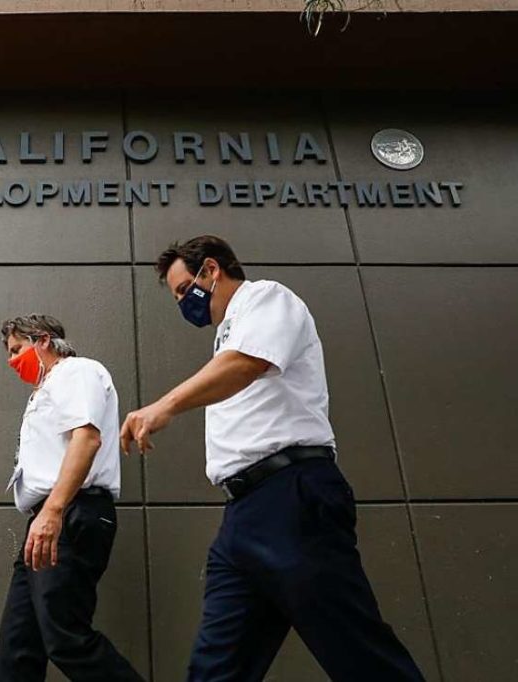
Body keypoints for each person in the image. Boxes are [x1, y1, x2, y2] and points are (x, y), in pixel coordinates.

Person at [120, 235, 424, 682]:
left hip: (293, 499)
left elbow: (246, 364)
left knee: (358, 652)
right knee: (215, 667)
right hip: (242, 516)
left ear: (211, 270)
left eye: (185, 290)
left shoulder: (267, 298)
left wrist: (163, 406)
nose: (184, 303)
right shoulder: (225, 338)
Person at [0, 314, 143, 682]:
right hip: (48, 518)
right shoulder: (45, 390)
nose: (12, 361)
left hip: (69, 512)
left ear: (43, 340)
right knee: (18, 649)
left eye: (17, 349)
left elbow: (87, 438)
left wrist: (54, 510)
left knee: (65, 637)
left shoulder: (76, 372)